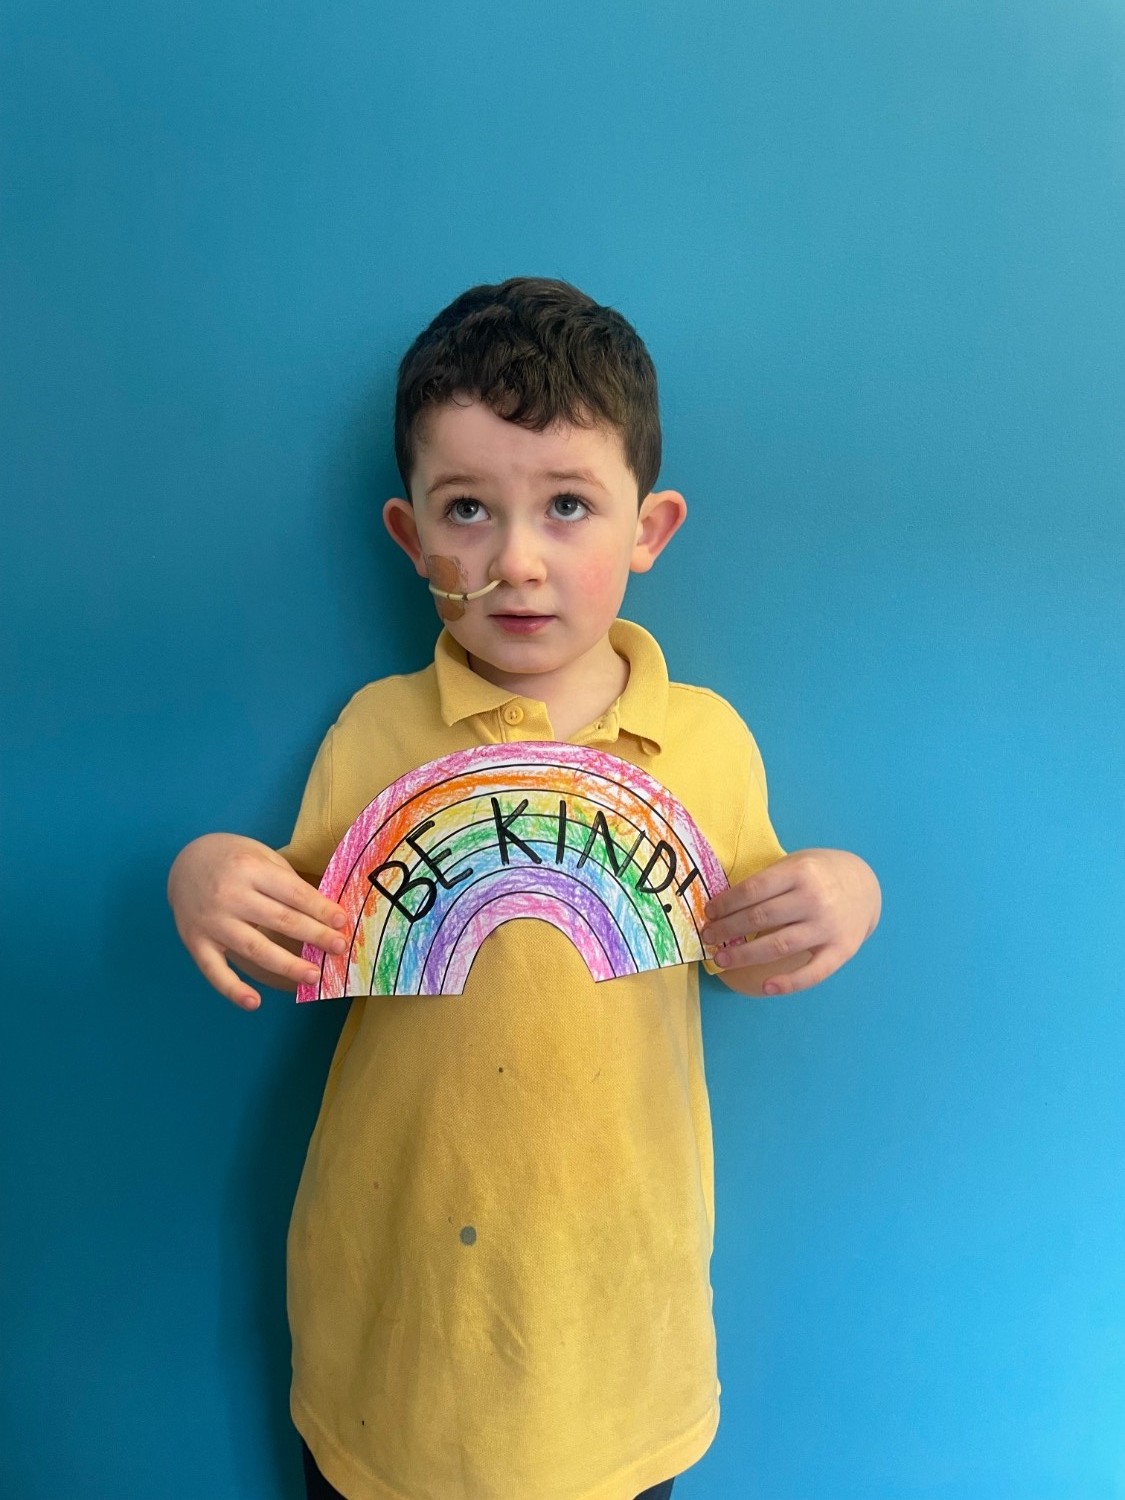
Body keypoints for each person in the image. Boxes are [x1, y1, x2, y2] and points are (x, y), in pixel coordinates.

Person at [168, 277, 882, 1500]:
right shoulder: (378, 729)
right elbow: (297, 925)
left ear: (650, 529)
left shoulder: (706, 742)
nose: (515, 562)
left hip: (616, 1343)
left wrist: (847, 895)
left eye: (567, 505)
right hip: (392, 1329)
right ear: (411, 538)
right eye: (467, 509)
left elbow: (757, 937)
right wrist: (206, 877)